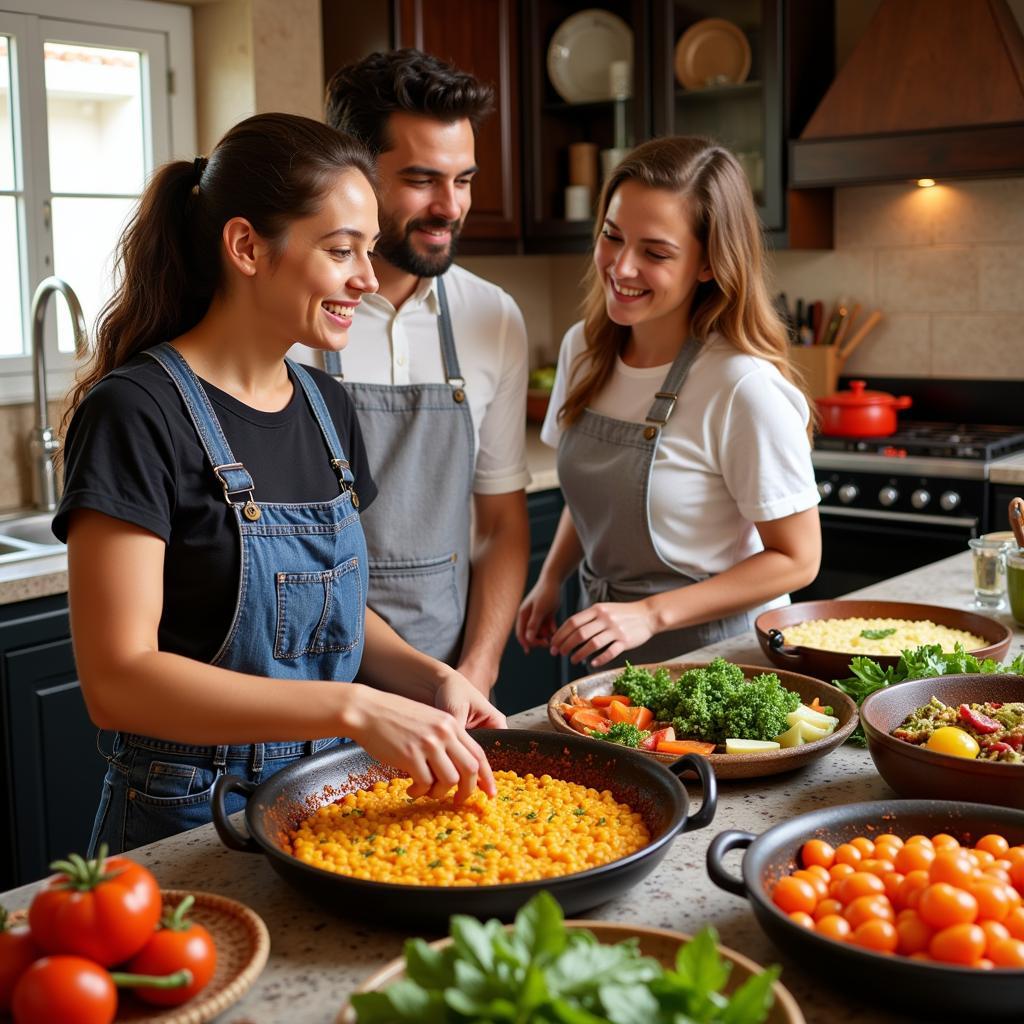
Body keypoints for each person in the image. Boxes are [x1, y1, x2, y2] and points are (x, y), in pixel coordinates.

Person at [53, 113, 504, 855]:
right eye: (339, 250)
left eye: (367, 249)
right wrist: (353, 708)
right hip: (187, 817)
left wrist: (430, 679)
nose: (366, 277)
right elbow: (117, 681)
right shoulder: (135, 413)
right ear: (246, 247)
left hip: (324, 795)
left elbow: (333, 614)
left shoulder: (326, 406)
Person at [517, 136, 821, 670]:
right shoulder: (583, 351)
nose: (621, 266)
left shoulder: (742, 386)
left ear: (708, 264)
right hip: (610, 648)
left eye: (655, 252)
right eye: (613, 236)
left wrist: (650, 614)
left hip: (727, 661)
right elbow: (595, 497)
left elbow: (798, 558)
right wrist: (550, 579)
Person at [290, 49, 530, 695]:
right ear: (355, 173)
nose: (450, 207)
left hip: (448, 687)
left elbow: (503, 524)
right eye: (423, 179)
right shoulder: (293, 321)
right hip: (310, 685)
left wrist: (477, 670)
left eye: (465, 179)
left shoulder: (493, 318)